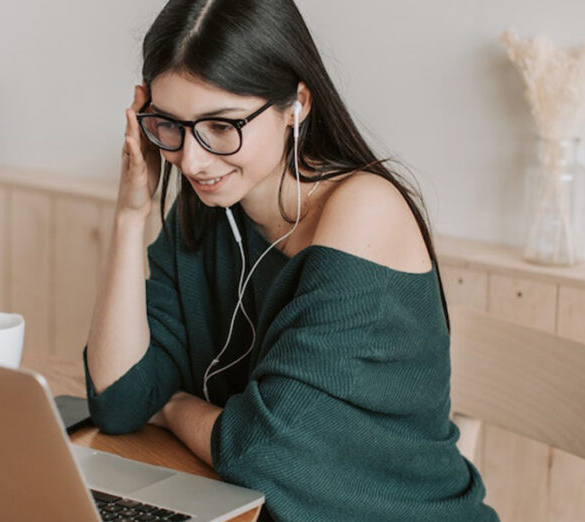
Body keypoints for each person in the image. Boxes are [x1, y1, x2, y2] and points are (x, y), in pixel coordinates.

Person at [84, 1, 499, 520]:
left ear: (296, 104)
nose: (191, 159)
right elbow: (119, 402)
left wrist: (171, 405)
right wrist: (129, 214)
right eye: (169, 125)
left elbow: (261, 450)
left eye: (221, 125)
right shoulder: (212, 203)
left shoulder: (363, 208)